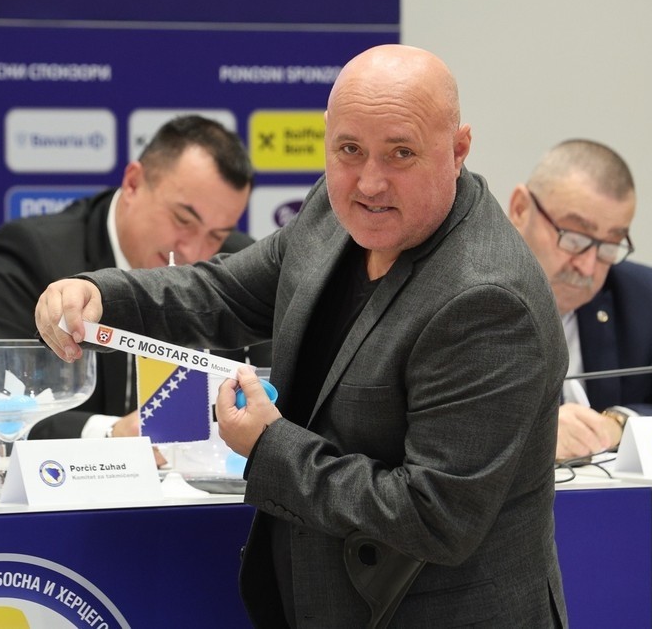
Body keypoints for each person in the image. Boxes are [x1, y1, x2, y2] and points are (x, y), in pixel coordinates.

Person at [35, 46, 569, 627]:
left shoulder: (489, 300)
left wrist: (268, 445)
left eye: (401, 153)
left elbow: (433, 515)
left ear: (458, 149)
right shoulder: (335, 211)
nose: (370, 182)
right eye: (349, 149)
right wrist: (103, 294)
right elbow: (227, 292)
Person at [0, 114, 269, 466]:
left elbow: (275, 393)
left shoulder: (236, 263)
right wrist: (111, 435)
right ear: (133, 183)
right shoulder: (30, 253)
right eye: (183, 220)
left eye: (217, 234)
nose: (193, 250)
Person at [508, 139, 652, 461]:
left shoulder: (637, 295)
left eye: (609, 246)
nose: (588, 267)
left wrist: (619, 424)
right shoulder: (464, 295)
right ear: (520, 209)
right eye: (574, 239)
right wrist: (536, 433)